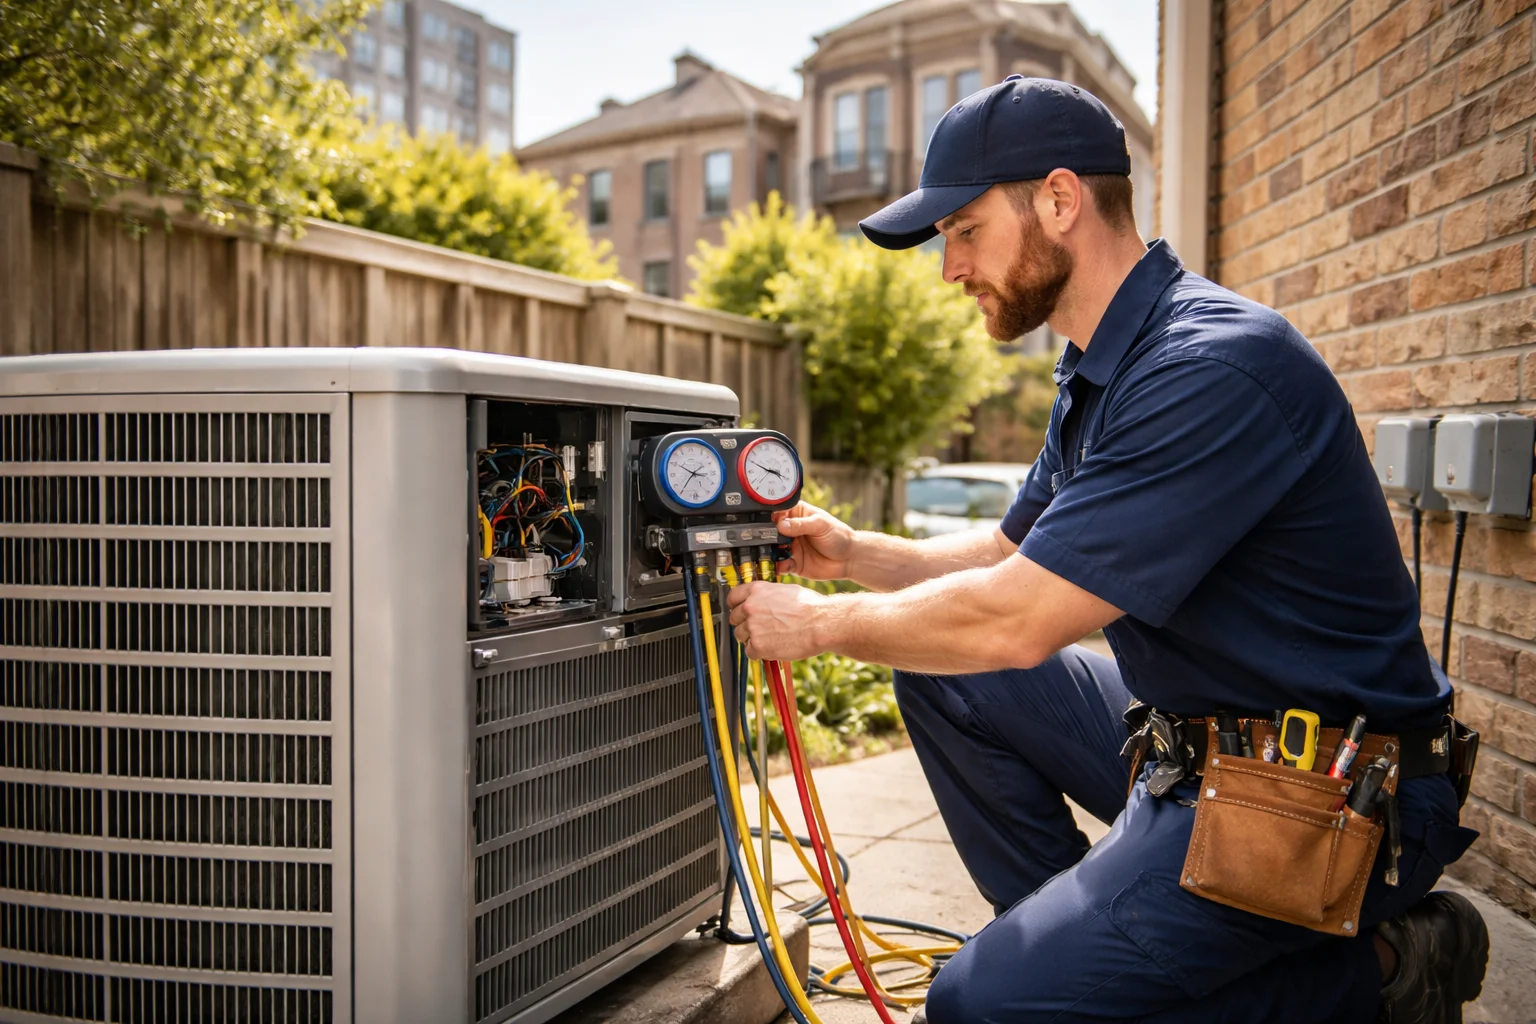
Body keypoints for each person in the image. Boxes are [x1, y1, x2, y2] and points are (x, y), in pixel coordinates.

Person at [725, 76, 1489, 1023]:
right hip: (1198, 752)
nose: (950, 266)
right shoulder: (1101, 370)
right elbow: (1010, 556)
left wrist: (822, 626)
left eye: (964, 230)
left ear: (1057, 199)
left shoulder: (1206, 368)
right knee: (939, 673)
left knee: (976, 1007)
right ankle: (1072, 964)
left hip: (1336, 795)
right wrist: (853, 556)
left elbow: (1016, 620)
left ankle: (1385, 968)